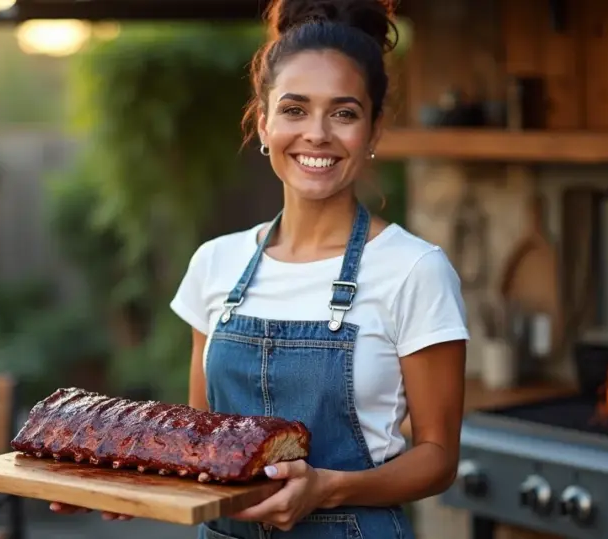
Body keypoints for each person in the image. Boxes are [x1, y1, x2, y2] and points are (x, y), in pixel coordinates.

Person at [51, 0, 470, 536]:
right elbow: (201, 443)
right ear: (264, 121)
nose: (317, 133)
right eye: (295, 109)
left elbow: (438, 456)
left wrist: (328, 486)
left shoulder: (414, 270)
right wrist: (126, 486)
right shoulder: (215, 263)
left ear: (374, 129)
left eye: (344, 113)